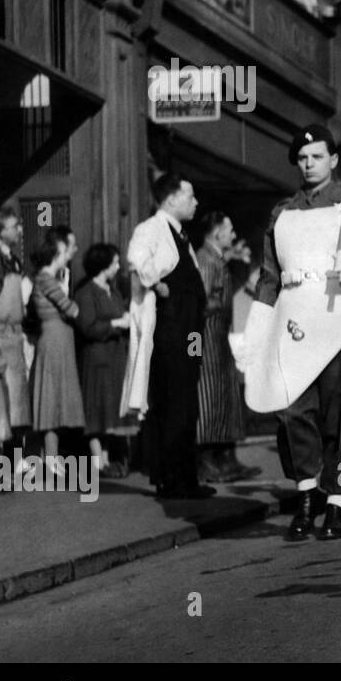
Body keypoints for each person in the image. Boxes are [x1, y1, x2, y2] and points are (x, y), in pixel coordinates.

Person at [237, 125, 341, 539]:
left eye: (317, 156)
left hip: (340, 320)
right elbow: (269, 276)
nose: (308, 164)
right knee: (293, 413)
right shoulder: (282, 212)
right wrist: (256, 334)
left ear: (334, 160)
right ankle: (306, 492)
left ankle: (337, 501)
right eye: (303, 158)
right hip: (294, 321)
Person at [125, 173, 210, 499]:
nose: (195, 202)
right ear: (171, 198)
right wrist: (157, 284)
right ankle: (172, 478)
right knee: (173, 401)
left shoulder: (180, 233)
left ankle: (187, 477)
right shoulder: (150, 229)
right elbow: (138, 264)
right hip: (171, 330)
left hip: (191, 330)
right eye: (190, 196)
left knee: (188, 398)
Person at [195, 212, 259, 483]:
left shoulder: (219, 259)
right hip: (207, 336)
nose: (233, 236)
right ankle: (206, 460)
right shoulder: (206, 260)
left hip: (219, 336)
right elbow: (201, 299)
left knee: (225, 395)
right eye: (229, 229)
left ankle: (225, 456)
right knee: (209, 397)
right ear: (217, 232)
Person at [28, 230, 86, 469]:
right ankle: (50, 458)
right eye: (63, 252)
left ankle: (51, 456)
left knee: (55, 398)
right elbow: (72, 310)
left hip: (58, 340)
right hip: (54, 341)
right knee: (51, 398)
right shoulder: (47, 279)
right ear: (55, 254)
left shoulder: (49, 279)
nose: (66, 256)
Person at [74, 244, 132, 478]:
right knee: (96, 409)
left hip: (115, 356)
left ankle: (107, 460)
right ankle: (98, 461)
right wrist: (117, 324)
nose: (118, 267)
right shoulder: (86, 293)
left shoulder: (113, 291)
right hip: (97, 358)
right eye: (115, 263)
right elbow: (88, 327)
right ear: (103, 265)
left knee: (109, 410)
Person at [0, 207, 32, 449]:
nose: (19, 230)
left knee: (17, 403)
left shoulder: (14, 260)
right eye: (13, 226)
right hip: (0, 336)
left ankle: (11, 466)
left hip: (15, 336)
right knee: (2, 404)